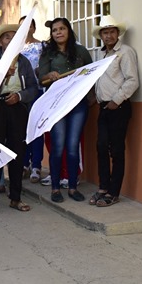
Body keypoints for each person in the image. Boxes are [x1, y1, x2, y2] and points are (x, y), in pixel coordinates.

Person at [0, 23, 40, 215]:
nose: (11, 41)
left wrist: (20, 96)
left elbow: (32, 87)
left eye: (15, 37)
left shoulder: (24, 61)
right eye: (7, 37)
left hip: (17, 108)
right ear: (0, 41)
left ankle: (16, 198)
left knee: (17, 153)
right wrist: (4, 76)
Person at [38, 17, 93, 204]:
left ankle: (72, 187)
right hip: (56, 105)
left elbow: (91, 74)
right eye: (55, 30)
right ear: (51, 34)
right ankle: (55, 188)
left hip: (78, 105)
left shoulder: (81, 51)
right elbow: (41, 79)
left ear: (68, 30)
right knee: (58, 146)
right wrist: (48, 75)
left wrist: (92, 98)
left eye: (62, 28)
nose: (58, 32)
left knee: (72, 147)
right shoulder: (48, 53)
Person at [90, 15, 140, 208]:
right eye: (105, 32)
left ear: (117, 33)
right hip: (104, 107)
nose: (108, 36)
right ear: (101, 35)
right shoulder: (103, 55)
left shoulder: (125, 52)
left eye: (112, 32)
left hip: (118, 107)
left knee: (116, 150)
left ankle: (114, 192)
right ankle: (103, 187)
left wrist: (116, 100)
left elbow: (132, 80)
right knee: (101, 147)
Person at [20, 17, 45, 183]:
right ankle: (24, 163)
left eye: (29, 25)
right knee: (22, 130)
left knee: (37, 129)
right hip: (20, 93)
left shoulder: (42, 46)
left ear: (34, 28)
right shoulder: (15, 48)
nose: (25, 28)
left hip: (38, 92)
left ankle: (36, 165)